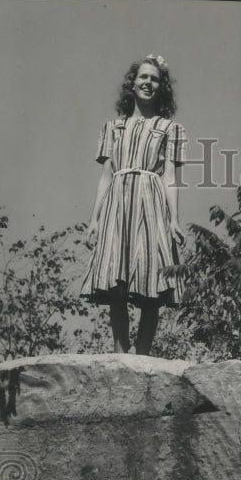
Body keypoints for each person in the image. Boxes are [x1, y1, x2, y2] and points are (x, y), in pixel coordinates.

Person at [81, 53, 186, 355]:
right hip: (118, 202)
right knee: (115, 278)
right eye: (143, 77)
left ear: (161, 87)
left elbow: (169, 176)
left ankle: (142, 356)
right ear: (132, 83)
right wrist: (94, 219)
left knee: (152, 278)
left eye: (154, 79)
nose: (148, 83)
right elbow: (105, 176)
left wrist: (174, 219)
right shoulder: (113, 127)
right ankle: (119, 352)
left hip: (151, 200)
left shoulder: (170, 128)